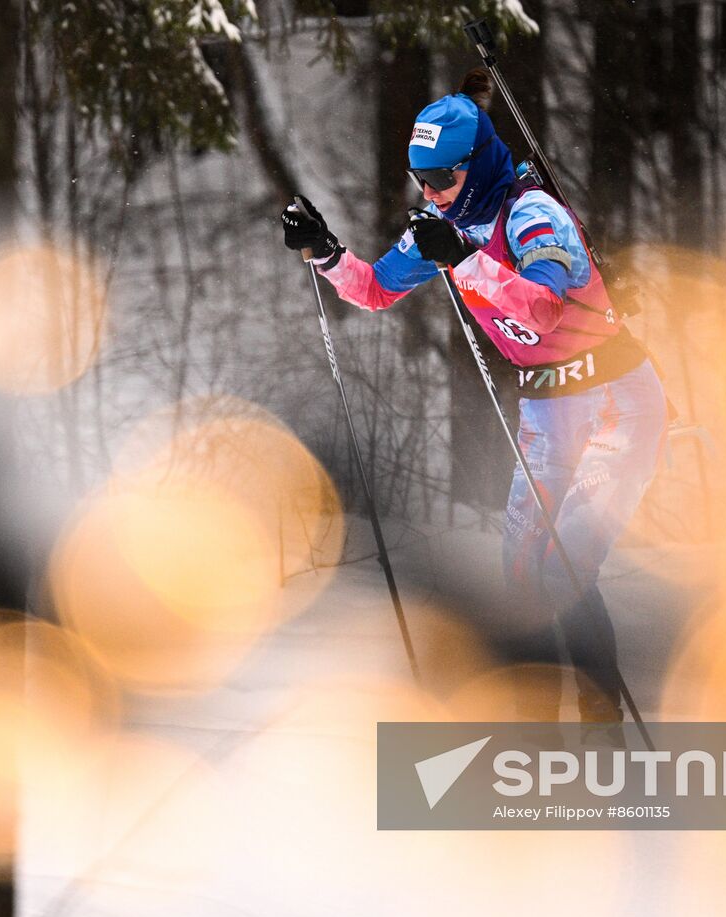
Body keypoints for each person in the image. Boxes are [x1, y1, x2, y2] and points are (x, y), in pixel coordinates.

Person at [281, 71, 669, 724]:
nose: (431, 194)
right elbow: (376, 289)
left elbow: (545, 307)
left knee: (564, 565)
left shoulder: (534, 215)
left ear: (478, 161)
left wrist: (464, 260)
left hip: (615, 401)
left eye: (442, 179)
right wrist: (325, 253)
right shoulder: (445, 222)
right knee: (522, 573)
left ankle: (603, 723)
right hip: (549, 405)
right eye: (420, 180)